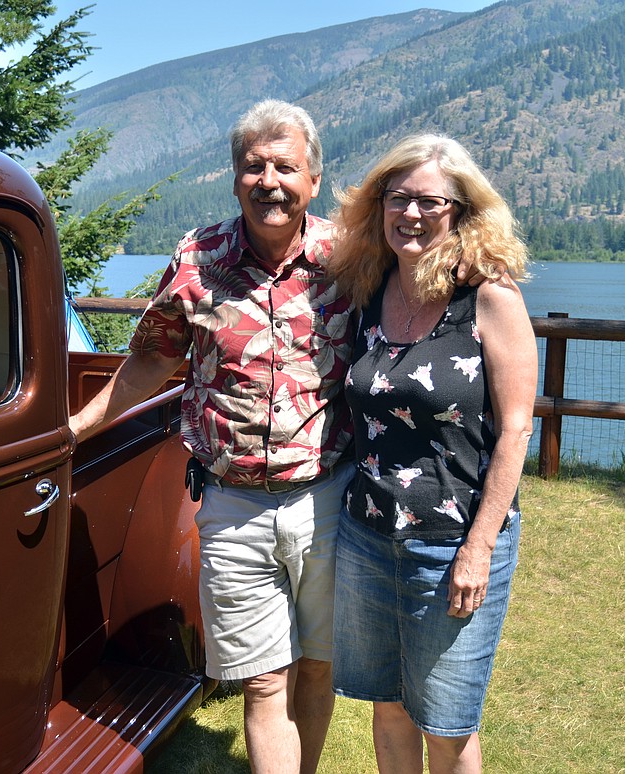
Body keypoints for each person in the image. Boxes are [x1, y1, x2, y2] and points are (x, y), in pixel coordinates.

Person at [69, 99, 354, 774]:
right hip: (231, 505)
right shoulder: (199, 258)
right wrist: (77, 428)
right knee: (262, 678)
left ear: (313, 179)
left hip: (331, 500)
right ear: (233, 179)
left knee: (317, 668)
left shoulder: (351, 260)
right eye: (253, 166)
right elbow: (150, 360)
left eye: (285, 166)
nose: (269, 181)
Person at [326, 134, 536, 774]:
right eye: (397, 198)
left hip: (452, 543)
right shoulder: (368, 290)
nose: (410, 214)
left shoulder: (488, 297)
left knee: (445, 724)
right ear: (378, 206)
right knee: (387, 705)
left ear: (460, 211)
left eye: (429, 202)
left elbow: (518, 429)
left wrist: (479, 547)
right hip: (365, 535)